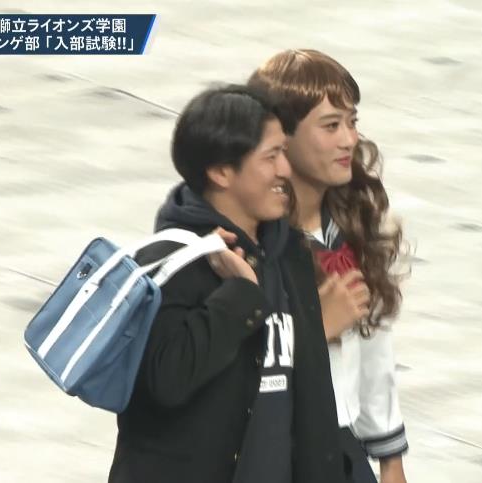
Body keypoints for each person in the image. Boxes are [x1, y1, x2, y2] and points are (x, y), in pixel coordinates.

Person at [108, 84, 349, 483]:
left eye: (284, 153)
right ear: (221, 172)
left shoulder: (289, 254)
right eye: (270, 156)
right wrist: (239, 296)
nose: (286, 170)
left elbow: (312, 397)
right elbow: (165, 384)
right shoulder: (171, 262)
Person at [249, 50, 410, 483]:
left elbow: (375, 346)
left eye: (352, 122)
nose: (349, 140)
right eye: (331, 125)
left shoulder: (350, 227)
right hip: (277, 451)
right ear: (281, 137)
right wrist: (316, 330)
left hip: (343, 450)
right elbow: (235, 368)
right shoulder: (254, 241)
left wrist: (390, 460)